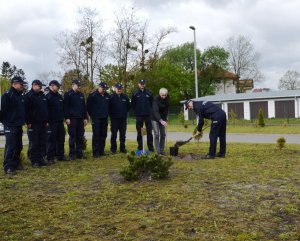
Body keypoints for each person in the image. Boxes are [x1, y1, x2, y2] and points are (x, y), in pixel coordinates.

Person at [0, 76, 26, 175]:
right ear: (14, 84)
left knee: (18, 146)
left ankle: (16, 163)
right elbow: (2, 111)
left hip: (19, 125)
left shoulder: (20, 96)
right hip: (10, 125)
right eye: (21, 84)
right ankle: (8, 166)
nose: (22, 86)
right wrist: (6, 122)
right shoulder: (7, 95)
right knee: (10, 146)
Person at [25, 79, 49, 167]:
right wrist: (28, 122)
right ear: (34, 85)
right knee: (34, 142)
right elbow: (26, 110)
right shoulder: (29, 96)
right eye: (39, 86)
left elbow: (45, 109)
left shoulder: (42, 96)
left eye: (41, 86)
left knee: (42, 142)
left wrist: (46, 120)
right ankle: (34, 160)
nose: (41, 87)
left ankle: (40, 158)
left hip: (43, 123)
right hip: (33, 123)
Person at [64, 79, 88, 160]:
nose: (79, 87)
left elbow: (84, 107)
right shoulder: (68, 94)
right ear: (73, 85)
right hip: (72, 119)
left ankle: (79, 153)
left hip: (80, 119)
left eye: (79, 85)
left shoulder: (81, 95)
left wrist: (85, 118)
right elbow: (65, 107)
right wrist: (67, 118)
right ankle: (72, 154)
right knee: (72, 136)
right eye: (77, 85)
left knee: (80, 136)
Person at [87, 82, 110, 158]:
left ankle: (101, 151)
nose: (104, 90)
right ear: (99, 87)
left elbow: (109, 106)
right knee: (96, 135)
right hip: (96, 118)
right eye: (103, 89)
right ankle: (95, 152)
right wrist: (92, 116)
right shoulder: (93, 95)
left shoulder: (107, 95)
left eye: (105, 89)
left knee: (103, 135)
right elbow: (88, 107)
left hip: (104, 118)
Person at [46, 80, 66, 163]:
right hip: (51, 122)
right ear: (51, 86)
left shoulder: (59, 96)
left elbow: (62, 108)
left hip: (60, 121)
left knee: (61, 139)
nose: (58, 87)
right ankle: (50, 157)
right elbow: (45, 110)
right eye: (57, 86)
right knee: (51, 140)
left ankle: (60, 155)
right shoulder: (48, 97)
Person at [131, 79, 154, 152]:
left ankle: (150, 148)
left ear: (145, 84)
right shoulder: (135, 93)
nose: (142, 85)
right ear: (138, 84)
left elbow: (152, 104)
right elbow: (133, 105)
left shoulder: (149, 93)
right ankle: (140, 147)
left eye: (143, 84)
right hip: (139, 116)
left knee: (149, 132)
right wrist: (137, 112)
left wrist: (150, 112)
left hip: (148, 116)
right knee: (139, 132)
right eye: (141, 84)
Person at [109, 83, 130, 154]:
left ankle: (122, 148)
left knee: (123, 135)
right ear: (115, 89)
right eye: (118, 88)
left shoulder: (125, 97)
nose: (119, 89)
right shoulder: (111, 97)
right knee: (114, 135)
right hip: (114, 119)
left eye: (120, 88)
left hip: (123, 119)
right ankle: (113, 149)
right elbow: (108, 108)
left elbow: (128, 107)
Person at [151, 88, 170, 155]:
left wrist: (166, 118)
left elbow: (166, 109)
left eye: (165, 95)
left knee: (163, 135)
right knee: (156, 134)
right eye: (162, 95)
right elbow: (155, 111)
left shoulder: (167, 98)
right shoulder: (155, 99)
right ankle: (158, 151)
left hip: (163, 118)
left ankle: (162, 150)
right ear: (159, 94)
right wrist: (161, 120)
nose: (164, 97)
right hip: (155, 118)